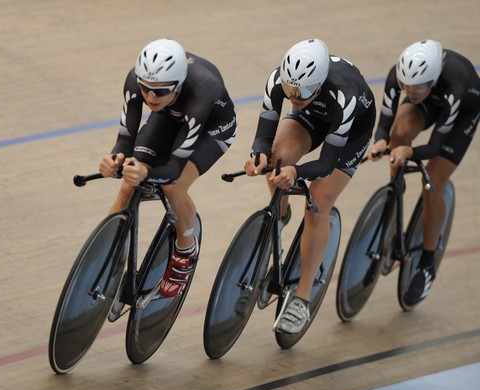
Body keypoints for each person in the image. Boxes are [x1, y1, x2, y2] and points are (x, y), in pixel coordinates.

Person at [244, 38, 376, 334]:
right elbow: (264, 135)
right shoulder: (283, 82)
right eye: (291, 90)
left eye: (302, 91)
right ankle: (280, 216)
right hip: (312, 117)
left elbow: (327, 163)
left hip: (350, 129)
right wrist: (258, 154)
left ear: (318, 83)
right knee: (277, 158)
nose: (294, 96)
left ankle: (302, 298)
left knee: (317, 203)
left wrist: (297, 171)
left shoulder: (344, 95)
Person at [99, 38, 237, 298]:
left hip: (212, 128)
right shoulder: (136, 80)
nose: (151, 96)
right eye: (146, 89)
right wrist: (114, 160)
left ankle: (185, 249)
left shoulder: (204, 86)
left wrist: (147, 173)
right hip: (168, 117)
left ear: (179, 85)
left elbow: (174, 168)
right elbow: (125, 139)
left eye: (160, 91)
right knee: (129, 182)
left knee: (173, 187)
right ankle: (106, 254)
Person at [368, 39, 480, 306]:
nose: (411, 91)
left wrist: (409, 153)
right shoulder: (402, 77)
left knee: (432, 182)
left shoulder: (456, 84)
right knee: (400, 132)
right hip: (431, 102)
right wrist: (382, 141)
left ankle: (427, 263)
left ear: (433, 77)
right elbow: (385, 122)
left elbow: (433, 147)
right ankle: (396, 190)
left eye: (418, 86)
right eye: (406, 86)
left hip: (462, 113)